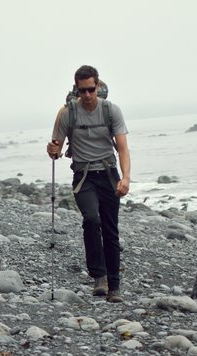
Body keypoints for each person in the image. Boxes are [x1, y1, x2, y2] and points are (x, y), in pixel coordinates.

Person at [47, 65, 131, 302]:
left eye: (91, 89)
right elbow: (56, 148)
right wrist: (52, 150)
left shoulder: (111, 111)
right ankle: (99, 277)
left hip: (108, 174)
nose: (87, 95)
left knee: (111, 228)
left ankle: (114, 286)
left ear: (98, 87)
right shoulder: (66, 113)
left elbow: (123, 148)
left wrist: (125, 178)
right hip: (83, 176)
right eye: (82, 91)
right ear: (76, 90)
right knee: (91, 220)